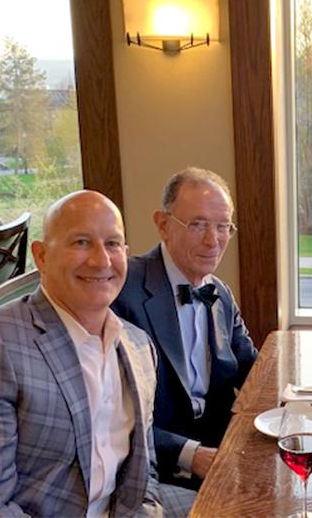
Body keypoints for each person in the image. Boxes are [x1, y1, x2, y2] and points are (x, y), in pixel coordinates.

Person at [0, 191, 165, 516]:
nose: (101, 260)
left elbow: (144, 477)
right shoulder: (1, 343)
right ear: (41, 256)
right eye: (81, 242)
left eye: (113, 244)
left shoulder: (139, 346)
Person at [112, 168, 258, 488]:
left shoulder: (219, 293)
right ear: (163, 225)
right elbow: (110, 413)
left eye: (223, 227)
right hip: (156, 467)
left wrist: (305, 403)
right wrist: (189, 454)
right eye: (198, 225)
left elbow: (253, 371)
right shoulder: (123, 292)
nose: (213, 240)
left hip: (223, 451)